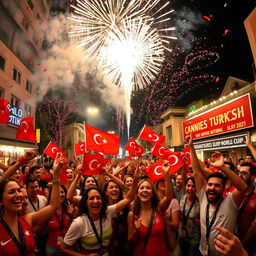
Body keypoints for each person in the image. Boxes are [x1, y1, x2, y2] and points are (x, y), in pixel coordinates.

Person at [61, 162, 142, 256]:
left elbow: (128, 198)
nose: (95, 201)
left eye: (98, 198)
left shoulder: (108, 211)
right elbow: (64, 248)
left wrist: (135, 179)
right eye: (91, 198)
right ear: (85, 203)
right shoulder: (79, 223)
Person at [188, 135, 247, 256]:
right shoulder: (203, 198)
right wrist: (191, 147)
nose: (212, 188)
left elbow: (243, 187)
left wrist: (222, 167)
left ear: (223, 188)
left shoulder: (230, 202)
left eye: (216, 186)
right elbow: (197, 173)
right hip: (202, 252)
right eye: (210, 185)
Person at [0, 152, 63, 256]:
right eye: (11, 192)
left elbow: (54, 205)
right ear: (1, 199)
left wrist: (56, 176)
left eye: (19, 191)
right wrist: (21, 161)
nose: (18, 195)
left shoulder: (27, 220)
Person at [127, 161, 172, 256]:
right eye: (141, 188)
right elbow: (131, 240)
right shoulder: (132, 214)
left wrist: (166, 174)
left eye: (148, 188)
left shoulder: (159, 208)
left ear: (152, 193)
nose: (145, 190)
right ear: (137, 194)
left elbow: (168, 197)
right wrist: (136, 229)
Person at [46, 184, 73, 256]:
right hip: (51, 249)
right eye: (57, 192)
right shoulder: (47, 210)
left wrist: (73, 215)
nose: (60, 194)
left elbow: (74, 229)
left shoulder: (69, 209)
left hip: (67, 248)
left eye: (62, 192)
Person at [178, 177, 201, 256]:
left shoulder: (200, 202)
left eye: (193, 186)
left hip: (194, 239)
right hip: (181, 234)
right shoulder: (183, 197)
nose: (190, 188)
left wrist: (202, 222)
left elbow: (207, 217)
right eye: (188, 185)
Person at [237, 162, 256, 255]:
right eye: (239, 173)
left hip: (249, 246)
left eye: (244, 173)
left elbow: (254, 226)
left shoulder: (255, 198)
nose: (240, 176)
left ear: (253, 176)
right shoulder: (233, 194)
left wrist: (241, 244)